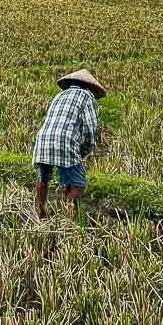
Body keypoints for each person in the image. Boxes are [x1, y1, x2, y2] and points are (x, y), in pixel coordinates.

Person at [32, 68, 106, 219]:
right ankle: (68, 218)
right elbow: (89, 128)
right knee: (78, 184)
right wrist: (85, 150)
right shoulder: (87, 96)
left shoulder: (59, 95)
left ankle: (41, 214)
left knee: (43, 179)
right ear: (88, 86)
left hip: (43, 139)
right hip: (65, 140)